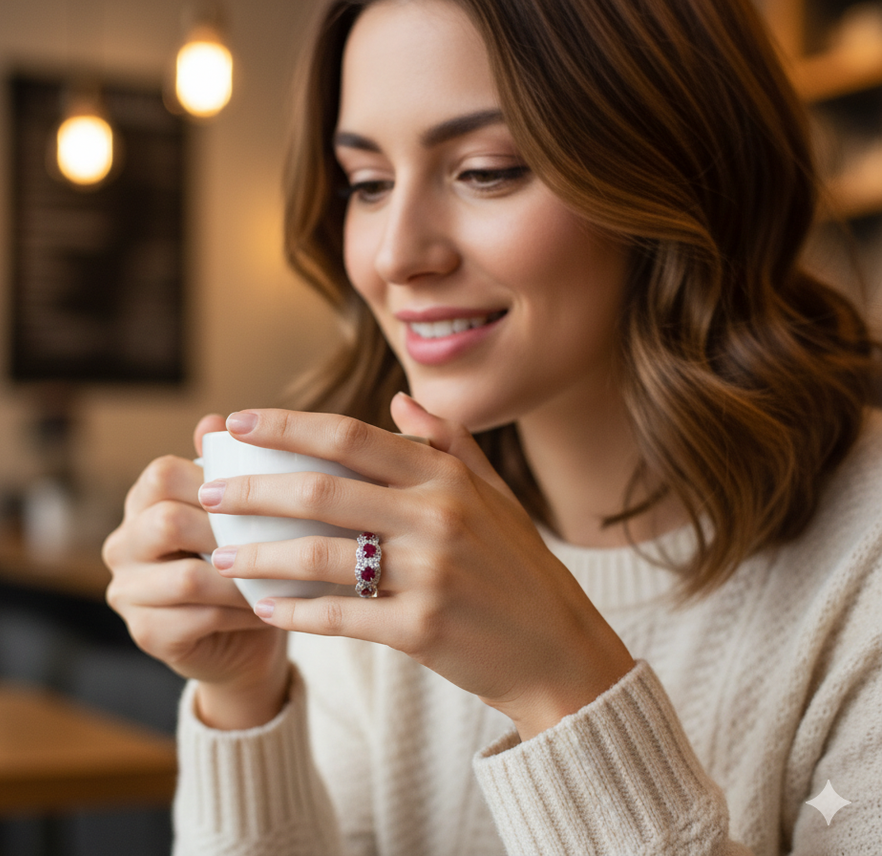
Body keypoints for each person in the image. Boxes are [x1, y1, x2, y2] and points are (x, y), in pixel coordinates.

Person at [103, 0, 882, 852]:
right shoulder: (372, 539)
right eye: (367, 184)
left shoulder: (860, 568)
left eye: (485, 170)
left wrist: (559, 682)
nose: (398, 253)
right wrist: (245, 702)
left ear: (679, 167)